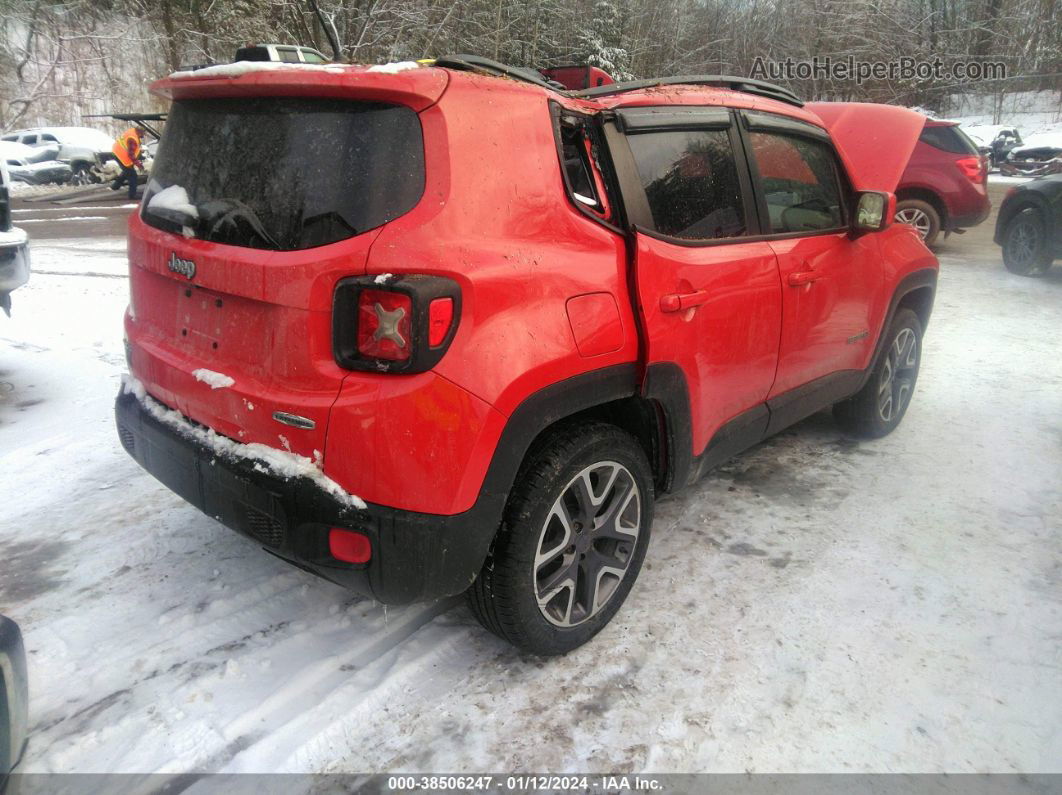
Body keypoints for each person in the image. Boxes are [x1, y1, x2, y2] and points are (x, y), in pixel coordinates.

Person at [110, 125, 144, 199]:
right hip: (121, 155)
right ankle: (132, 195)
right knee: (132, 175)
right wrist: (139, 164)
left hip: (117, 151)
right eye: (143, 133)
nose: (143, 135)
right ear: (139, 132)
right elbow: (131, 154)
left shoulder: (133, 132)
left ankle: (115, 186)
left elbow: (131, 149)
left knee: (127, 171)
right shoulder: (133, 138)